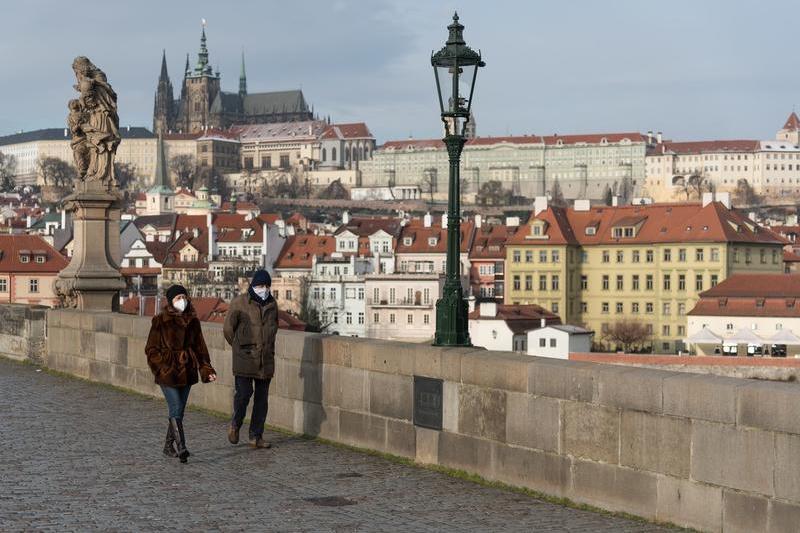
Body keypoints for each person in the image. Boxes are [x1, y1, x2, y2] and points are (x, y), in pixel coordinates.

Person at [145, 285, 217, 463]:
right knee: (176, 406)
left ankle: (168, 446)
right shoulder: (160, 321)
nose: (181, 301)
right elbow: (151, 349)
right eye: (177, 298)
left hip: (187, 371)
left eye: (183, 297)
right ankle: (182, 447)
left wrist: (207, 370)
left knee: (179, 411)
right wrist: (163, 366)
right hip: (168, 373)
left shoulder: (193, 321)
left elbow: (200, 349)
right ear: (170, 301)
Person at [224, 270, 278, 449]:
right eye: (261, 286)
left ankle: (256, 436)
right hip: (245, 358)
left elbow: (273, 329)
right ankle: (235, 424)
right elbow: (228, 329)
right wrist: (239, 347)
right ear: (253, 286)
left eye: (267, 286)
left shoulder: (272, 305)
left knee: (262, 401)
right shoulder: (240, 302)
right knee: (244, 394)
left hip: (265, 360)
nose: (264, 289)